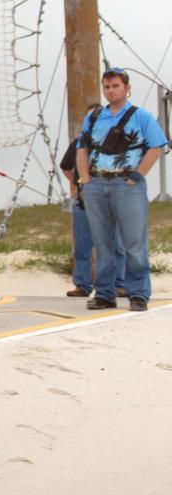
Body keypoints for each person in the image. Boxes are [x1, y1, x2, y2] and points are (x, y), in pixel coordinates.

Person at [76, 67, 167, 312]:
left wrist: (136, 177)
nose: (110, 91)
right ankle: (105, 292)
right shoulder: (94, 117)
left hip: (126, 185)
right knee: (102, 242)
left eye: (116, 86)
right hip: (97, 183)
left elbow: (157, 146)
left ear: (127, 88)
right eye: (107, 86)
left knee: (134, 242)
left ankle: (138, 293)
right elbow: (82, 147)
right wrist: (85, 179)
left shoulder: (141, 116)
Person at [59, 117, 127, 298]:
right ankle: (82, 284)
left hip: (111, 201)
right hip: (84, 202)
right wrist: (77, 183)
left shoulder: (116, 142)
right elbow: (66, 166)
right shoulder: (79, 144)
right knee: (82, 245)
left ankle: (119, 284)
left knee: (116, 244)